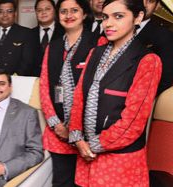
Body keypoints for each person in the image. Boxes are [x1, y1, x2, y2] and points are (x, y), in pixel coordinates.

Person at [69, 0, 162, 186]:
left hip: (119, 162)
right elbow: (79, 98)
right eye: (105, 17)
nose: (108, 23)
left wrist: (91, 146)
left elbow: (132, 123)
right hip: (85, 157)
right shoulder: (95, 53)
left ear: (138, 17)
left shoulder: (147, 61)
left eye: (118, 16)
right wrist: (77, 137)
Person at [39, 0, 95, 186]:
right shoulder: (53, 47)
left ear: (84, 14)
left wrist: (74, 128)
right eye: (63, 11)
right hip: (59, 132)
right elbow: (45, 87)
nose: (68, 15)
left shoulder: (98, 43)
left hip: (88, 133)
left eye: (74, 10)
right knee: (62, 182)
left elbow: (96, 90)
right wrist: (56, 125)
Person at [0, 0, 36, 78]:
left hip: (15, 81)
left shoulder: (26, 33)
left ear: (15, 14)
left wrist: (13, 79)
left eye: (9, 11)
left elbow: (27, 61)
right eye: (1, 12)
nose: (5, 15)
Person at [137, 0, 173, 94]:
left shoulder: (164, 36)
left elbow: (165, 80)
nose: (144, 4)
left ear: (157, 6)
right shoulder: (115, 26)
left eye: (150, 1)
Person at [32, 0, 65, 75]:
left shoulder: (64, 32)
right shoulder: (29, 34)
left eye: (47, 9)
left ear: (55, 11)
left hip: (57, 78)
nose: (43, 12)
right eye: (39, 10)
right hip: (34, 79)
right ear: (36, 13)